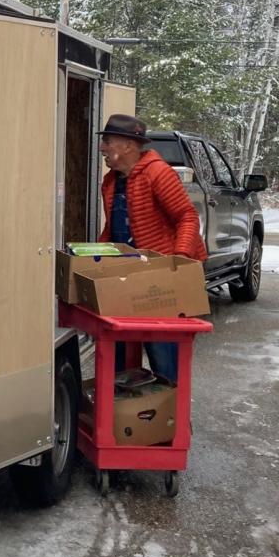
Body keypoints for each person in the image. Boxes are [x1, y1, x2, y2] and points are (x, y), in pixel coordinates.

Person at [97, 113, 206, 382]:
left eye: (108, 141)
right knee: (117, 346)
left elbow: (187, 217)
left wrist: (177, 260)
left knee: (162, 351)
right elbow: (115, 228)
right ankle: (128, 414)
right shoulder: (111, 182)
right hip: (129, 276)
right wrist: (95, 257)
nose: (102, 148)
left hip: (161, 277)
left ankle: (171, 418)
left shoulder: (158, 173)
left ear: (128, 145)